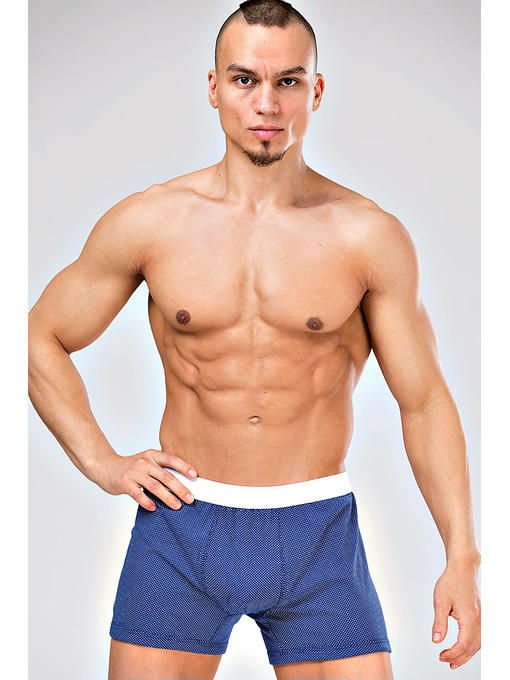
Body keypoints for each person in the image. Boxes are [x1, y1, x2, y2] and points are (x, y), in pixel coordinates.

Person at [28, 1, 481, 678]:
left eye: (287, 81)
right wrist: (101, 461)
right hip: (181, 528)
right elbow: (38, 337)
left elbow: (424, 401)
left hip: (315, 537)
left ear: (316, 90)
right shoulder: (151, 222)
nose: (266, 103)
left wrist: (461, 556)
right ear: (214, 87)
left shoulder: (368, 236)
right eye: (244, 80)